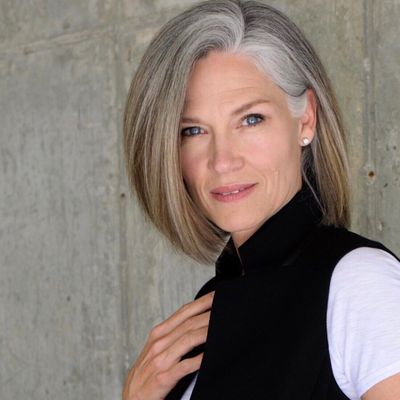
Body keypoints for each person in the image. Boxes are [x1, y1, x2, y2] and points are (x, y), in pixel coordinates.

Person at [122, 1, 400, 399]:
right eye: (193, 130)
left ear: (305, 119)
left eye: (250, 119)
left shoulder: (358, 283)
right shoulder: (204, 315)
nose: (222, 161)